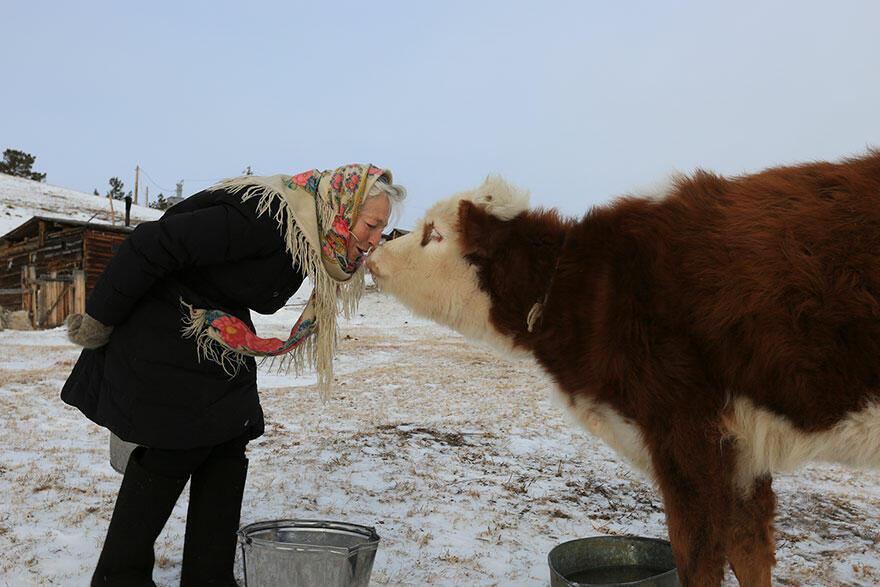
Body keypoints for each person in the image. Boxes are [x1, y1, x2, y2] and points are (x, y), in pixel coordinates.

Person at [61, 163, 406, 586]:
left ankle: (209, 577)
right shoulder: (262, 219)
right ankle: (119, 577)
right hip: (167, 324)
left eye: (381, 230)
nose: (374, 240)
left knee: (228, 442)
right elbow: (151, 243)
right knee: (176, 446)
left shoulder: (310, 232)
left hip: (218, 331)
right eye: (371, 225)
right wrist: (99, 319)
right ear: (343, 206)